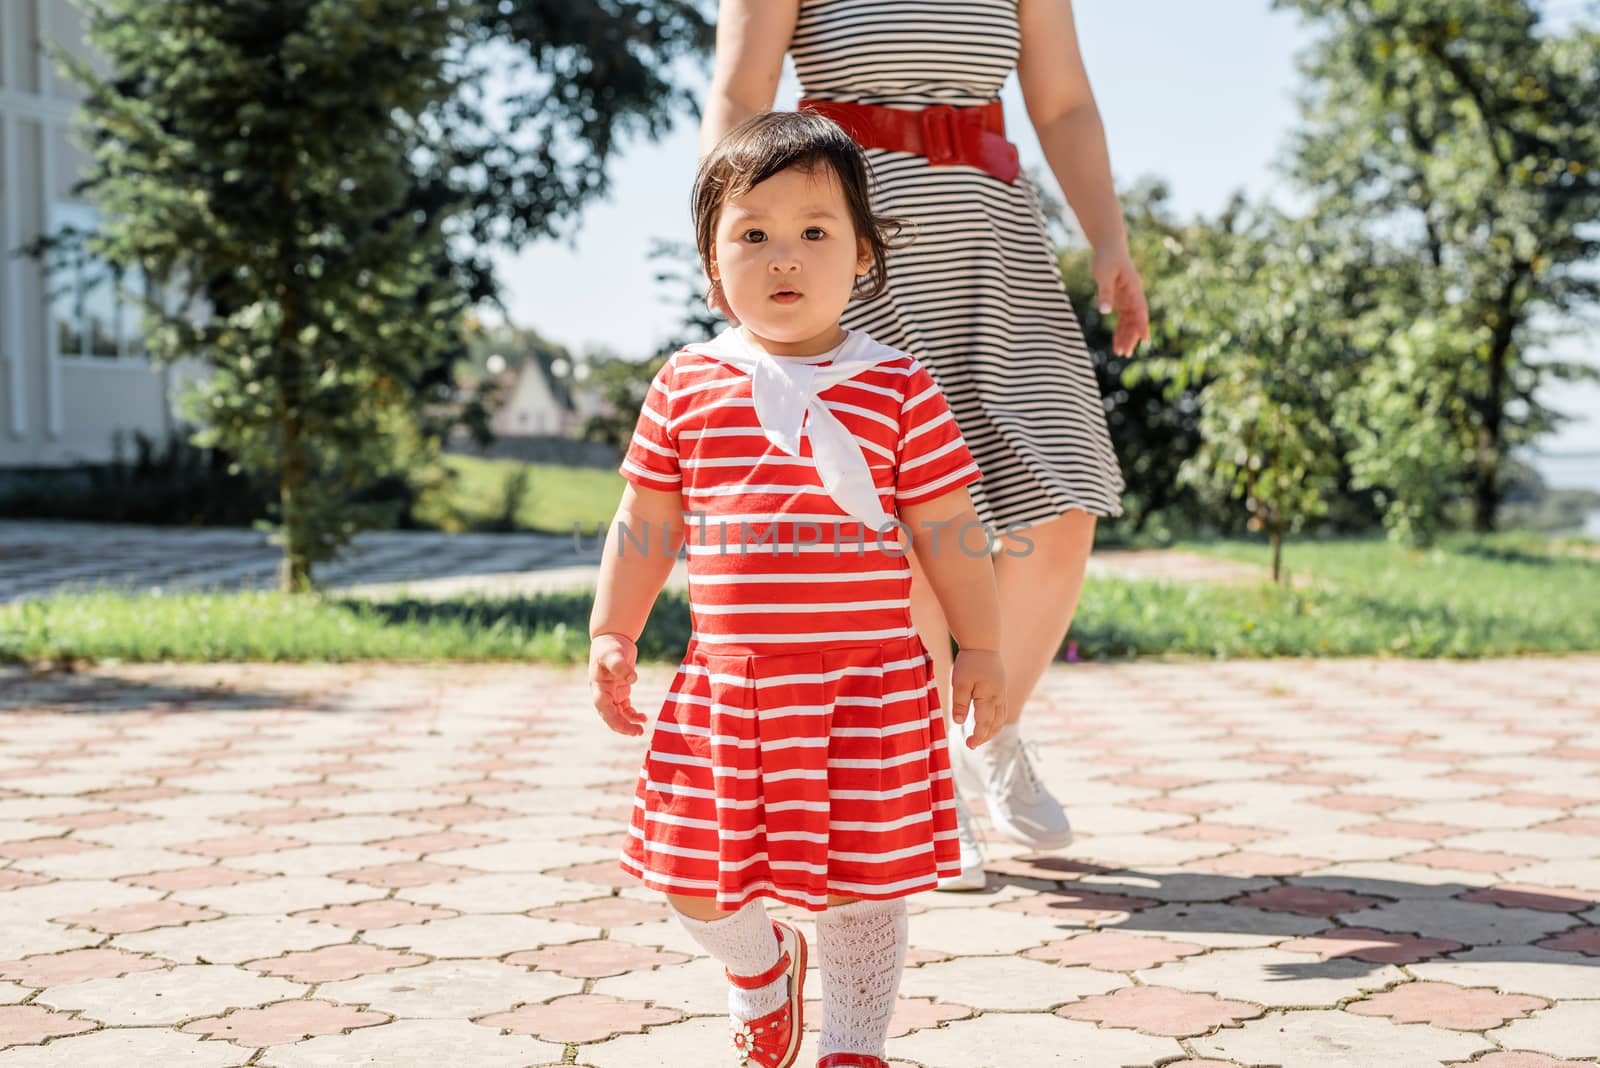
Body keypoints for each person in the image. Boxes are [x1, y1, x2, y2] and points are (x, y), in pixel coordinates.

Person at [700, 0, 1153, 890]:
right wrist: (730, 251)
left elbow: (1060, 103)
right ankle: (925, 788)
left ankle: (992, 728)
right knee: (904, 526)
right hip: (851, 254)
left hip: (996, 247)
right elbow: (741, 95)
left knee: (1064, 500)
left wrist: (1109, 238)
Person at [588, 111, 1007, 1068]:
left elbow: (948, 531)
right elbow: (645, 522)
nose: (786, 257)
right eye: (754, 235)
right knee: (692, 876)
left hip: (868, 684)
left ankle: (854, 1047)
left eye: (815, 232)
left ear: (864, 255)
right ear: (710, 264)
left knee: (864, 886)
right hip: (730, 685)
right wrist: (614, 628)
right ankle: (762, 963)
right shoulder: (688, 385)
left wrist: (980, 645)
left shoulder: (900, 387)